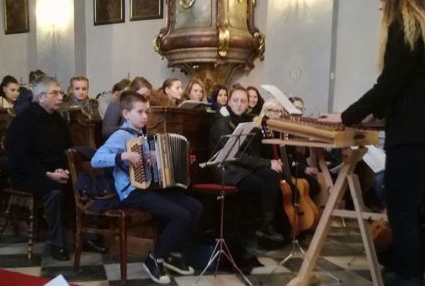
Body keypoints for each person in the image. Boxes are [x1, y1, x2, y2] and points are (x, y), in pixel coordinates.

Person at [320, 0, 425, 286]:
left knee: (401, 210)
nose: (379, 6)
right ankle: (407, 273)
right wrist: (366, 114)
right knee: (410, 209)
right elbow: (401, 87)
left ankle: (405, 278)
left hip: (413, 132)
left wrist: (346, 116)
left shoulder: (403, 27)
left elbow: (388, 85)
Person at [92, 91, 202, 284]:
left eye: (147, 112)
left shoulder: (142, 135)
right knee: (180, 215)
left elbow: (151, 164)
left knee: (195, 207)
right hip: (131, 191)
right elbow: (96, 159)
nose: (145, 116)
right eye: (140, 112)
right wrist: (122, 156)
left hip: (149, 188)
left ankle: (174, 254)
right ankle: (154, 258)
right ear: (126, 114)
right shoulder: (121, 135)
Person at [5, 76, 72, 261]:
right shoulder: (24, 120)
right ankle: (58, 244)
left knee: (79, 183)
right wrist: (47, 174)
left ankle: (85, 236)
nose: (60, 97)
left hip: (54, 171)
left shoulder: (58, 120)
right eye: (55, 93)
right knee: (55, 191)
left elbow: (67, 149)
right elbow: (19, 158)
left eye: (61, 92)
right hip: (27, 173)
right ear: (41, 97)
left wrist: (63, 169)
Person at [209, 85, 284, 242]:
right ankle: (247, 229)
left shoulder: (246, 121)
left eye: (243, 101)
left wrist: (267, 164)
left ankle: (265, 224)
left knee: (271, 175)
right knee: (257, 185)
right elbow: (233, 154)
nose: (239, 104)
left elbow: (251, 152)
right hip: (226, 168)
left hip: (241, 166)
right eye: (235, 100)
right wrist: (265, 162)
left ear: (247, 103)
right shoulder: (222, 122)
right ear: (229, 102)